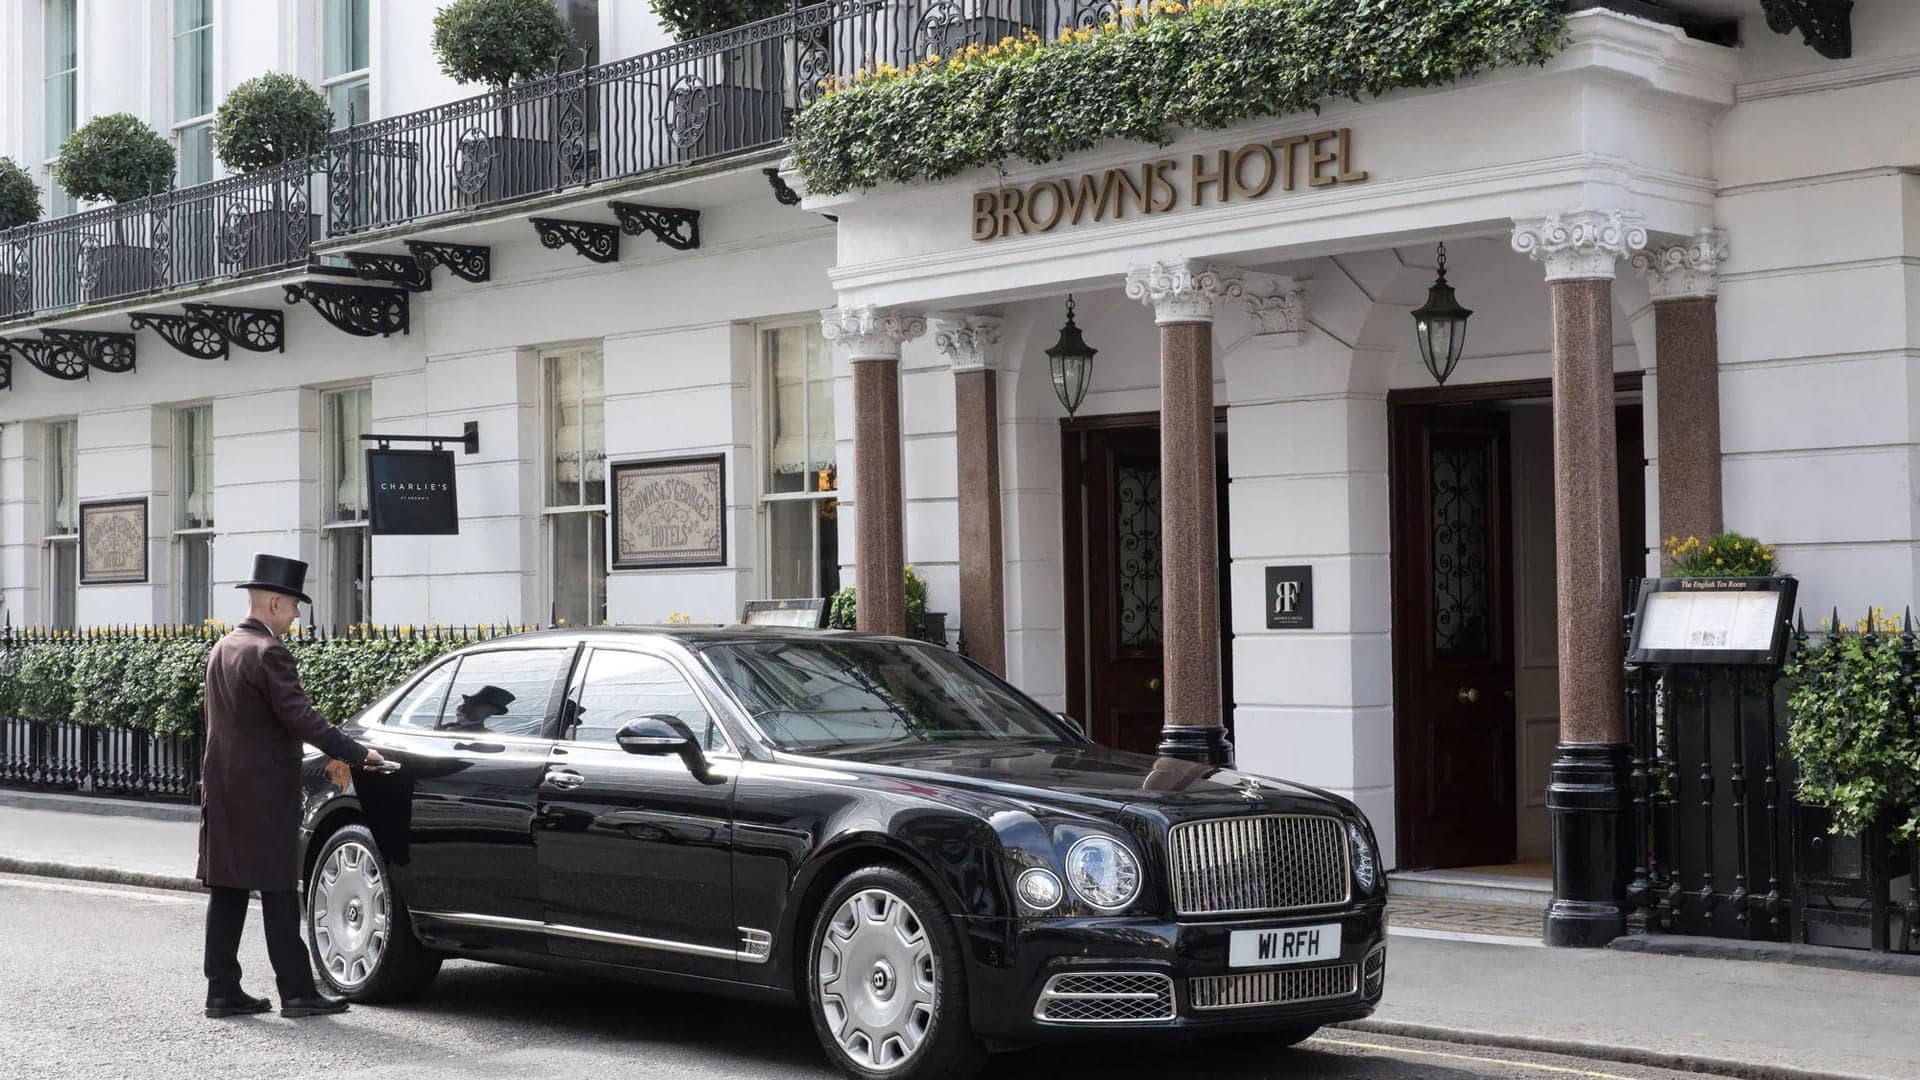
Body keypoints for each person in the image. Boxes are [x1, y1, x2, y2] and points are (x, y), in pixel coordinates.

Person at [198, 553, 386, 1019]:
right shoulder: (269, 652)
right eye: (295, 606)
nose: (298, 616)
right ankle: (298, 992)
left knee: (228, 890)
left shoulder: (225, 647)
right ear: (277, 604)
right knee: (281, 890)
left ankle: (222, 990)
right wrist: (360, 754)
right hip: (262, 794)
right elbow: (302, 719)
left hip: (222, 788)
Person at [436, 685, 515, 732]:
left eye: (492, 713)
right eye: (489, 711)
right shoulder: (449, 728)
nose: (489, 715)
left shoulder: (482, 731)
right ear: (477, 705)